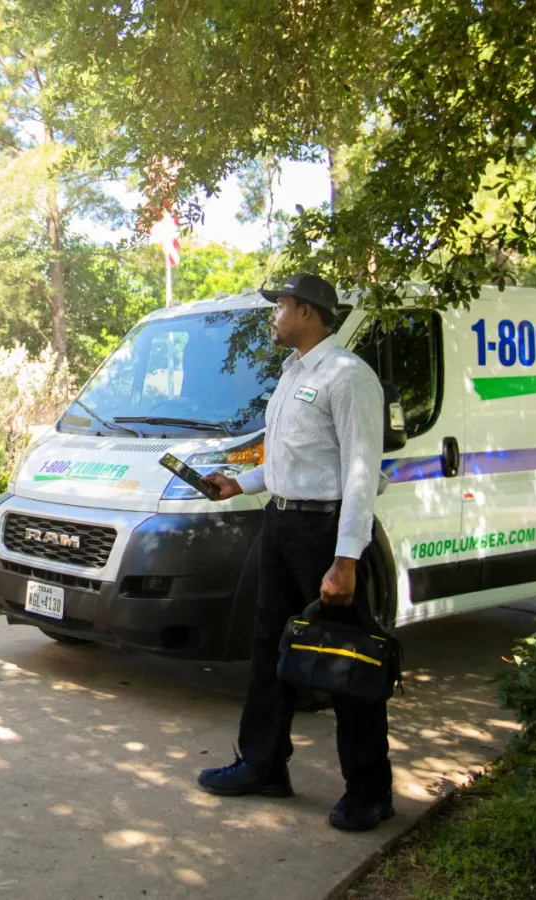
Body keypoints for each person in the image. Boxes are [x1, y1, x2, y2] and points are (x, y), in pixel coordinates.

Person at [196, 272, 393, 832]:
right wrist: (243, 483)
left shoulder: (349, 377)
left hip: (326, 532)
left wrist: (347, 557)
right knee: (268, 648)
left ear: (307, 312)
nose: (274, 316)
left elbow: (360, 472)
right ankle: (262, 765)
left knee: (346, 658)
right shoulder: (291, 374)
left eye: (279, 306)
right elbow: (294, 461)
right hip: (280, 524)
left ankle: (369, 791)